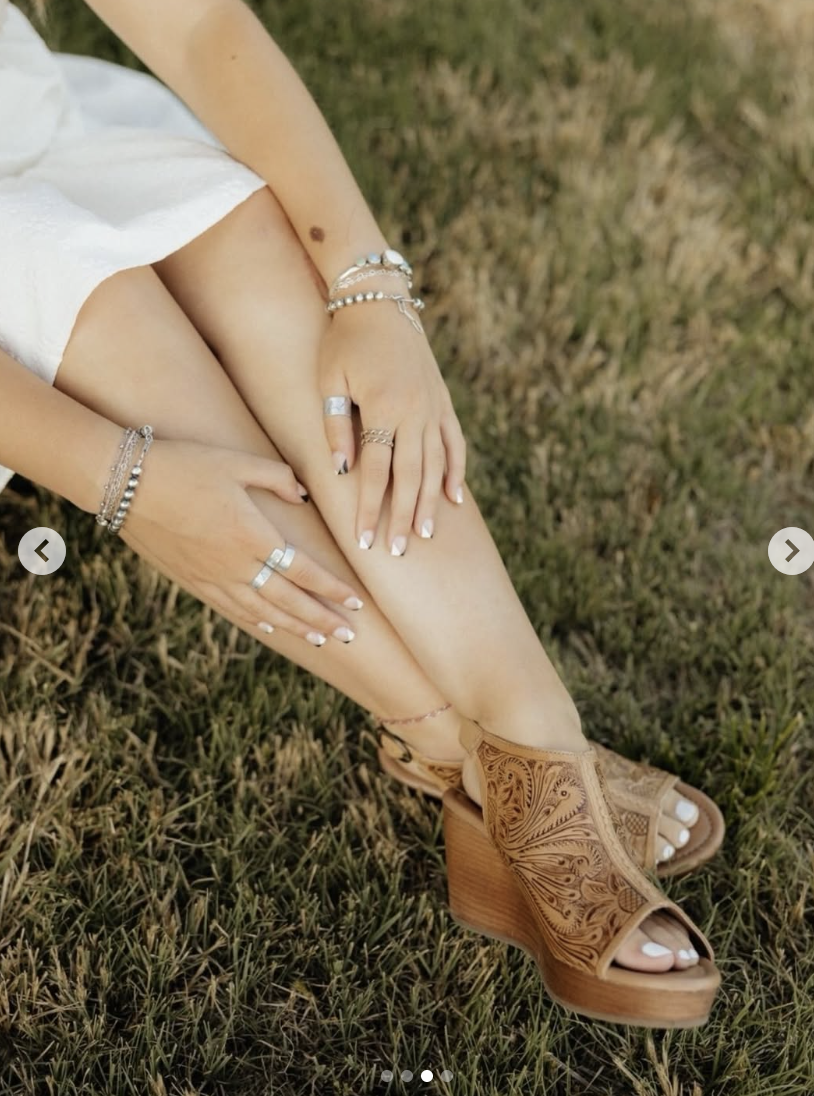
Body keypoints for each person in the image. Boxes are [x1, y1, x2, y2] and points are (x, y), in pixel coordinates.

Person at [0, 0, 724, 1026]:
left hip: (22, 116)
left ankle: (523, 728)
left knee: (243, 229)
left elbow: (200, 24)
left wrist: (367, 293)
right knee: (94, 304)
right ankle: (497, 772)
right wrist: (125, 476)